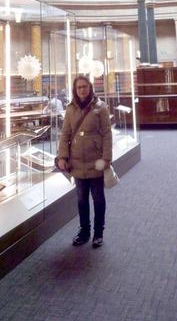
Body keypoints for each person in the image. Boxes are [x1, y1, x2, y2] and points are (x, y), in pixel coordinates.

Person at [57, 75, 112, 249]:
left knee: (97, 198)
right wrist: (62, 157)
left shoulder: (101, 108)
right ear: (75, 89)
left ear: (90, 88)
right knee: (81, 200)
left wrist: (106, 158)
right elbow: (65, 134)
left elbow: (107, 134)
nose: (82, 90)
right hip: (77, 162)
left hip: (96, 162)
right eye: (79, 87)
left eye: (85, 87)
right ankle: (84, 231)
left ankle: (98, 233)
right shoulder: (70, 109)